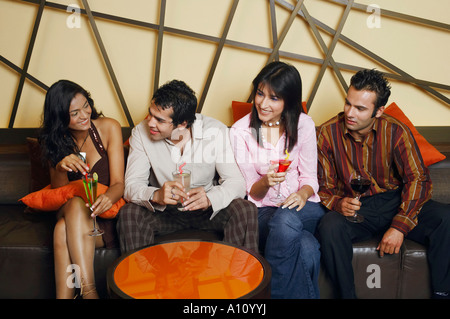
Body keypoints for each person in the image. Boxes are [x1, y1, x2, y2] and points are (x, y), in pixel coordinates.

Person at [316, 69, 450, 299]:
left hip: (394, 201)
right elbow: (322, 186)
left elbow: (418, 179)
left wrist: (400, 226)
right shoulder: (327, 133)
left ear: (378, 111)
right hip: (357, 208)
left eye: (360, 108)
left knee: (446, 218)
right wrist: (338, 203)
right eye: (348, 103)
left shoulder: (396, 131)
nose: (349, 113)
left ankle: (442, 293)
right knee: (329, 225)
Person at [117, 80, 258, 254]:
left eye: (160, 120)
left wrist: (210, 198)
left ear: (182, 123)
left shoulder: (216, 131)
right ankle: (142, 280)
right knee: (129, 214)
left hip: (207, 212)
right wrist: (156, 195)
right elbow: (132, 185)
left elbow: (236, 182)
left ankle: (239, 279)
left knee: (245, 210)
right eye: (150, 115)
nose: (150, 123)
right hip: (165, 212)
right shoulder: (140, 133)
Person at [230, 61, 325, 299]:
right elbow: (251, 191)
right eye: (260, 94)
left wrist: (302, 194)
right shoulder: (240, 131)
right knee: (307, 248)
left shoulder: (304, 125)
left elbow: (310, 178)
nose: (262, 103)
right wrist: (266, 182)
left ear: (289, 102)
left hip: (305, 208)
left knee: (287, 221)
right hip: (264, 213)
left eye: (274, 98)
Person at [39, 80, 124, 298]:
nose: (84, 114)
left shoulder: (108, 127)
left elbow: (118, 184)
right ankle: (89, 292)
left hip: (101, 220)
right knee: (75, 203)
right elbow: (59, 194)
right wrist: (60, 167)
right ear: (60, 117)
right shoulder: (54, 142)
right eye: (74, 113)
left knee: (60, 231)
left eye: (86, 105)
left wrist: (108, 198)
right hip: (71, 210)